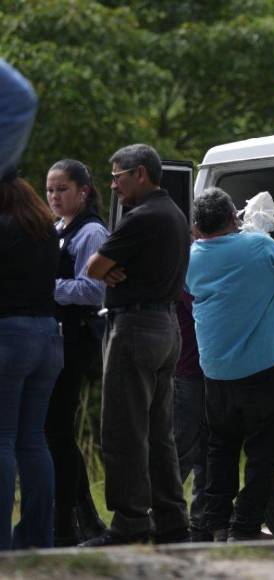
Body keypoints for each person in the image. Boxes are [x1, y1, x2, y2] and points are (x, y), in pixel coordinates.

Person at [186, 187, 274, 542]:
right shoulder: (258, 246)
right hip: (262, 371)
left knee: (220, 451)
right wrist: (260, 240)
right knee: (262, 454)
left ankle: (216, 526)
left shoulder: (191, 258)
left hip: (216, 373)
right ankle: (245, 528)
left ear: (197, 227)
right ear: (233, 218)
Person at [82, 144, 190, 546]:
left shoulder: (140, 217)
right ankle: (171, 519)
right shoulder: (176, 214)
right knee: (159, 432)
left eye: (117, 177)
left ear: (140, 173)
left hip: (135, 328)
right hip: (167, 326)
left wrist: (107, 270)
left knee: (124, 430)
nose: (112, 187)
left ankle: (129, 522)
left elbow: (93, 268)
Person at [0, 59, 63, 552]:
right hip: (49, 338)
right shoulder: (43, 227)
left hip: (8, 338)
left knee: (0, 444)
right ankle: (38, 538)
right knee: (33, 442)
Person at [44, 159, 109, 546]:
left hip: (76, 339)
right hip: (52, 338)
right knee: (53, 432)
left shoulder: (91, 232)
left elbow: (94, 290)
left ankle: (78, 519)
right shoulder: (55, 230)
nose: (54, 197)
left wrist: (45, 286)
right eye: (50, 190)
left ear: (83, 191)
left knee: (57, 431)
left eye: (62, 189)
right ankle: (77, 516)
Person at [173, 289, 209, 542]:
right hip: (189, 369)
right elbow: (203, 312)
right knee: (183, 445)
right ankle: (164, 516)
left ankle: (203, 519)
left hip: (205, 366)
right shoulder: (188, 265)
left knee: (208, 448)